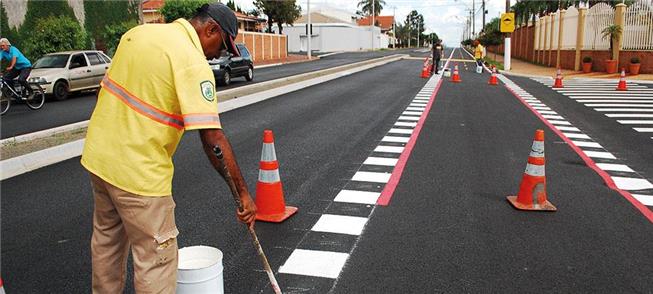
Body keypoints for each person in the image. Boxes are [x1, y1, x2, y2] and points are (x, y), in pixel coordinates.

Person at [80, 2, 256, 293]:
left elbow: (106, 91)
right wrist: (243, 196)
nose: (219, 54)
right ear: (210, 28)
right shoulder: (191, 60)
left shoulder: (139, 34)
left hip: (99, 161)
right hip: (140, 177)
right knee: (156, 260)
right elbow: (213, 139)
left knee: (107, 247)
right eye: (223, 46)